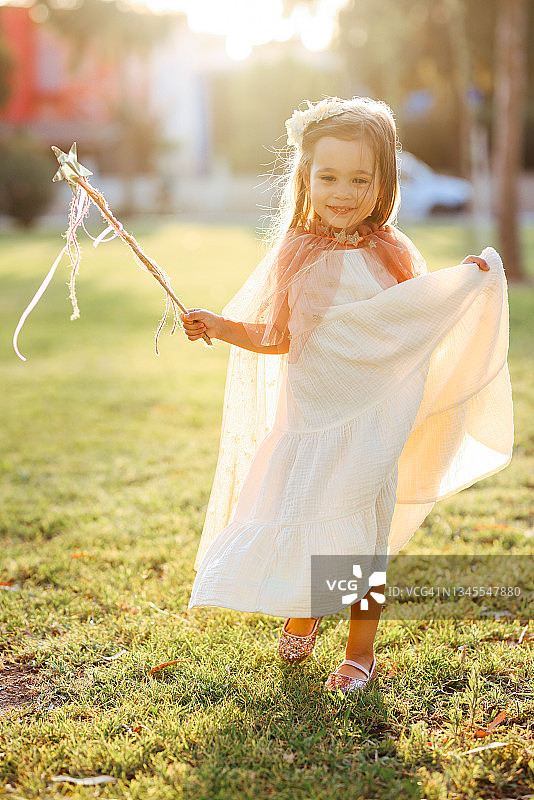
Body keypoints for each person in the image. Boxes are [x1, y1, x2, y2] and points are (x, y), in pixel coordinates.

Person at [181, 96, 514, 694]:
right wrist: (221, 326)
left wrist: (461, 286)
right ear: (304, 179)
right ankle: (304, 615)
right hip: (313, 419)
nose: (344, 191)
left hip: (373, 421)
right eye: (328, 176)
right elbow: (276, 334)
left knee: (362, 528)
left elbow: (410, 321)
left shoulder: (392, 251)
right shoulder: (296, 254)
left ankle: (360, 654)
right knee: (307, 512)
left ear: (384, 182)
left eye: (362, 178)